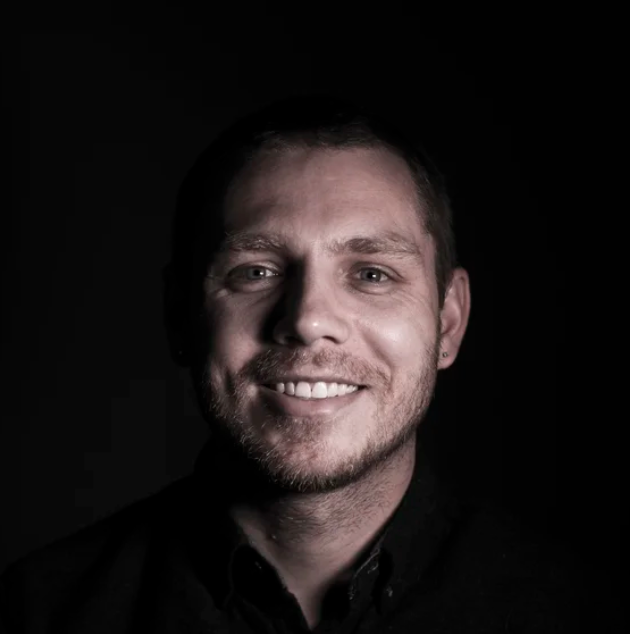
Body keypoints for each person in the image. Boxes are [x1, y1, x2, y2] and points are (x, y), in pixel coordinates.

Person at [0, 96, 599, 633]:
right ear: (180, 317)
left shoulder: (578, 614)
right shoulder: (36, 613)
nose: (309, 319)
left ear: (447, 322)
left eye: (372, 274)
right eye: (256, 271)